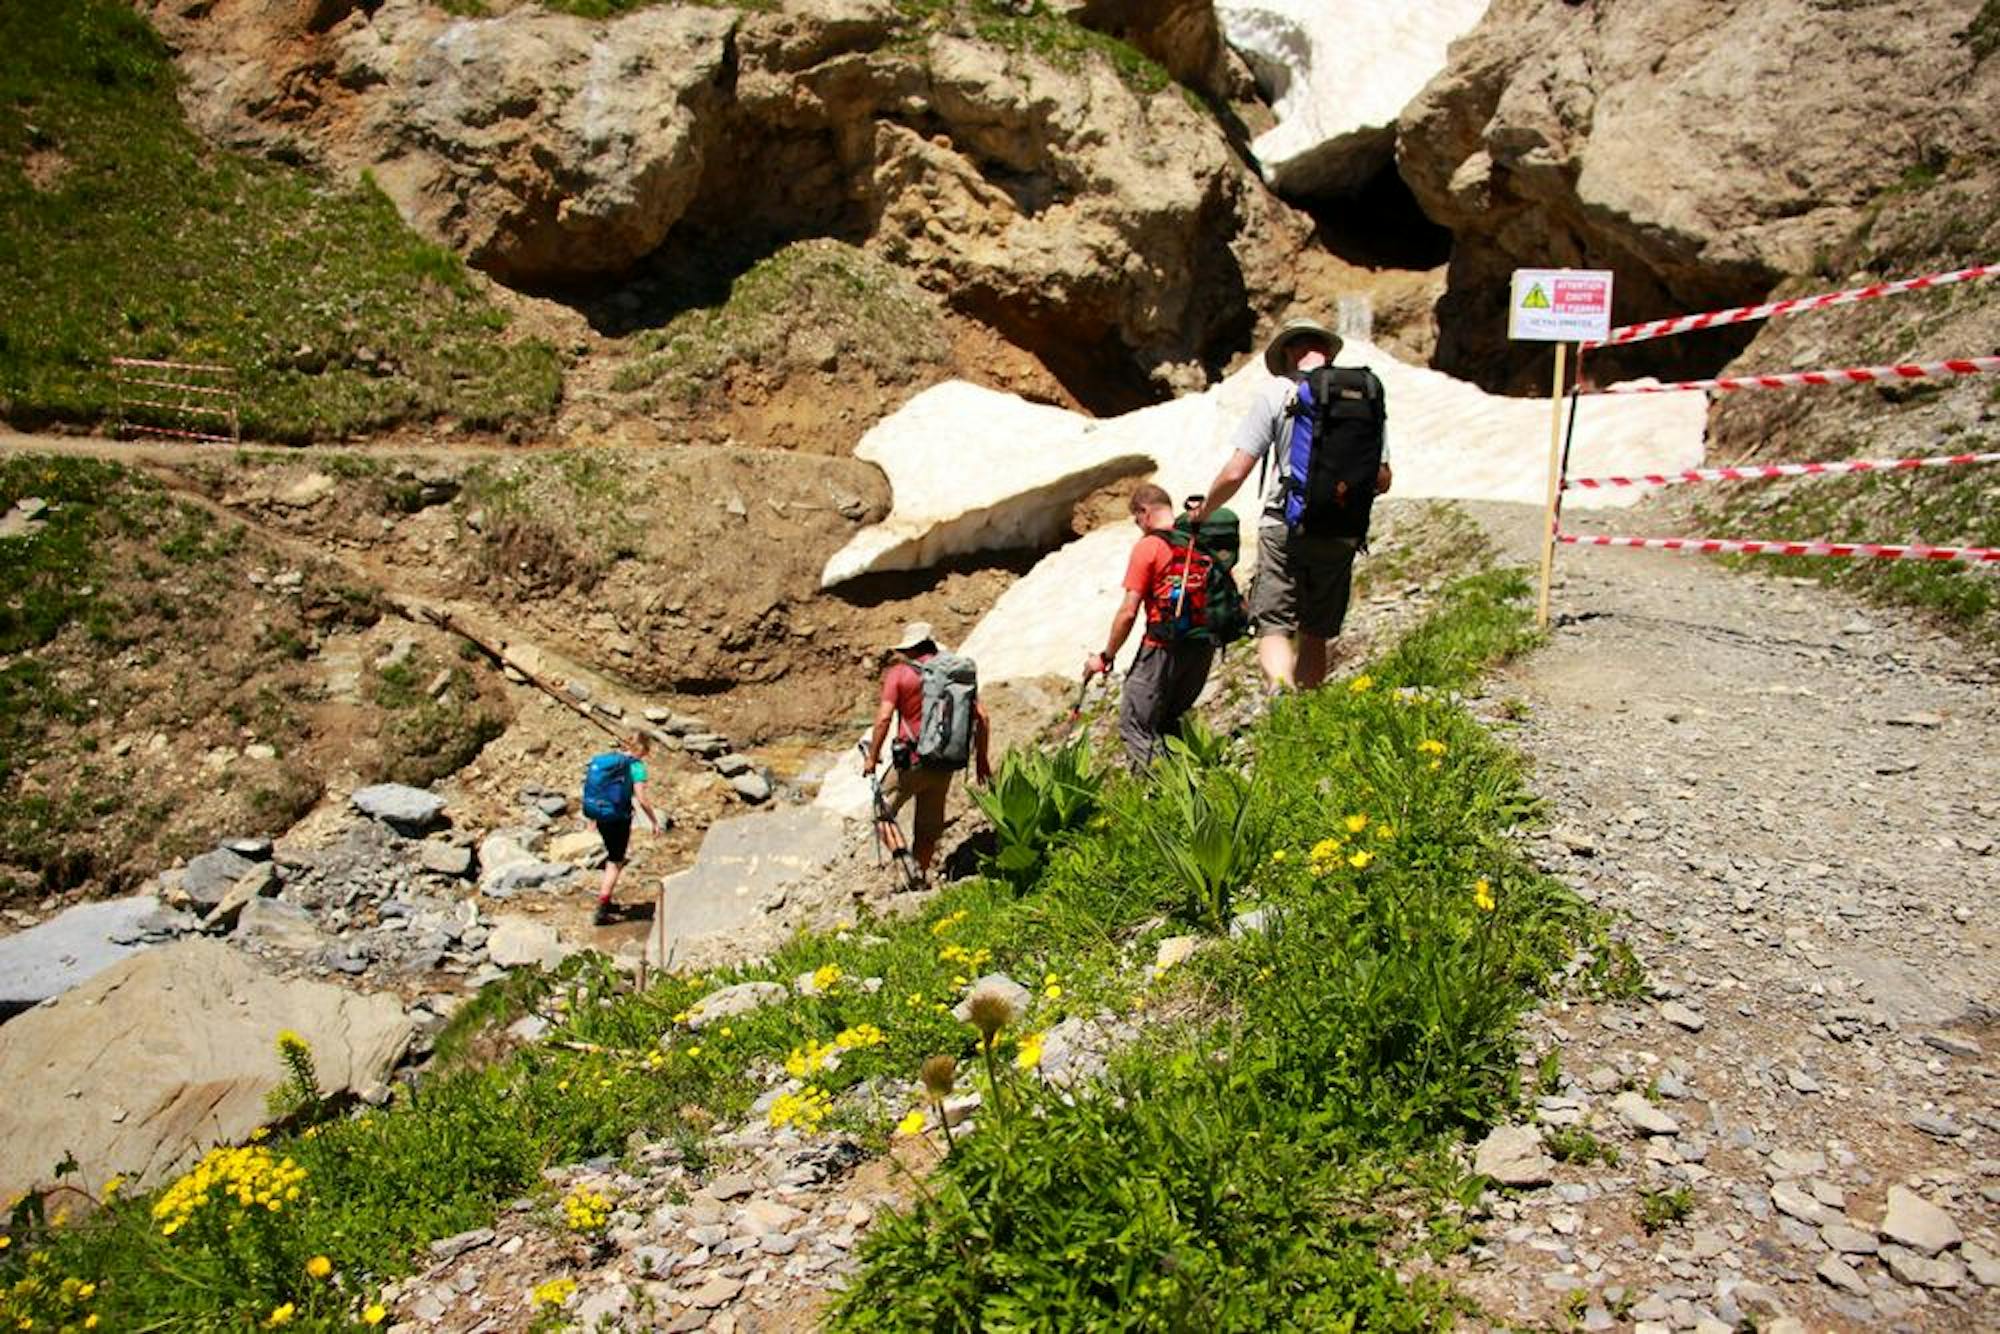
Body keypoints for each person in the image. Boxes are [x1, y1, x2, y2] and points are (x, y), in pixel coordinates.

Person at [1192, 317, 1391, 692]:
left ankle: (1281, 701)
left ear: (1287, 353)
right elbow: (1382, 477)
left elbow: (1237, 471)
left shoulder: (1277, 393)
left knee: (1274, 624)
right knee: (1315, 631)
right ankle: (1306, 713)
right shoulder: (1363, 395)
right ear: (1328, 353)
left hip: (1283, 523)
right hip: (1340, 527)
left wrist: (1204, 510)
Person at [1084, 483, 1220, 768]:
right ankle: (1192, 784)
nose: (1139, 527)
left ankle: (1160, 796)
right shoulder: (1199, 540)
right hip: (1202, 645)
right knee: (1170, 720)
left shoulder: (1149, 547)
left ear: (1144, 512)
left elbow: (1128, 612)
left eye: (1137, 520)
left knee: (1135, 725)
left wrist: (1107, 655)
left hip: (1162, 647)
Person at [861, 622, 993, 886]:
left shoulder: (899, 674)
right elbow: (983, 716)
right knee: (928, 830)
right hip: (946, 762)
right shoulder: (956, 673)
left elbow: (884, 718)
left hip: (911, 761)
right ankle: (918, 879)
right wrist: (981, 760)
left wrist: (872, 757)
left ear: (909, 648)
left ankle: (904, 860)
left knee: (880, 812)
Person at [587, 732, 662, 926]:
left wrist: (594, 817)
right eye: (646, 751)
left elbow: (595, 788)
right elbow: (641, 797)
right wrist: (654, 820)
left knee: (613, 855)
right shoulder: (636, 766)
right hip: (618, 818)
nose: (646, 755)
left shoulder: (610, 761)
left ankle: (608, 901)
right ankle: (602, 909)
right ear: (642, 749)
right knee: (615, 861)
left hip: (601, 814)